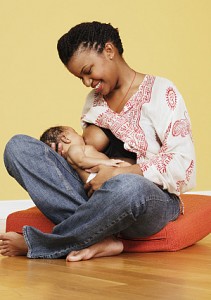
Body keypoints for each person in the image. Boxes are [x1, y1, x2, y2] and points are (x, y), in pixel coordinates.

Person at [0, 21, 196, 262]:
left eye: (88, 70)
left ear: (109, 51)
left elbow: (184, 166)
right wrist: (65, 153)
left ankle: (41, 243)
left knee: (126, 186)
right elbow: (86, 159)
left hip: (148, 199)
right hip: (97, 197)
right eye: (79, 77)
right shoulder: (93, 101)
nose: (86, 82)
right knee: (18, 147)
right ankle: (103, 238)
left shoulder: (162, 92)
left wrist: (121, 174)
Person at [40, 125, 132, 185]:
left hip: (100, 175)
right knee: (129, 167)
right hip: (96, 177)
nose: (80, 136)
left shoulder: (74, 154)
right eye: (76, 133)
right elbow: (81, 161)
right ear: (65, 138)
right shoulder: (74, 149)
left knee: (129, 166)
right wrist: (106, 162)